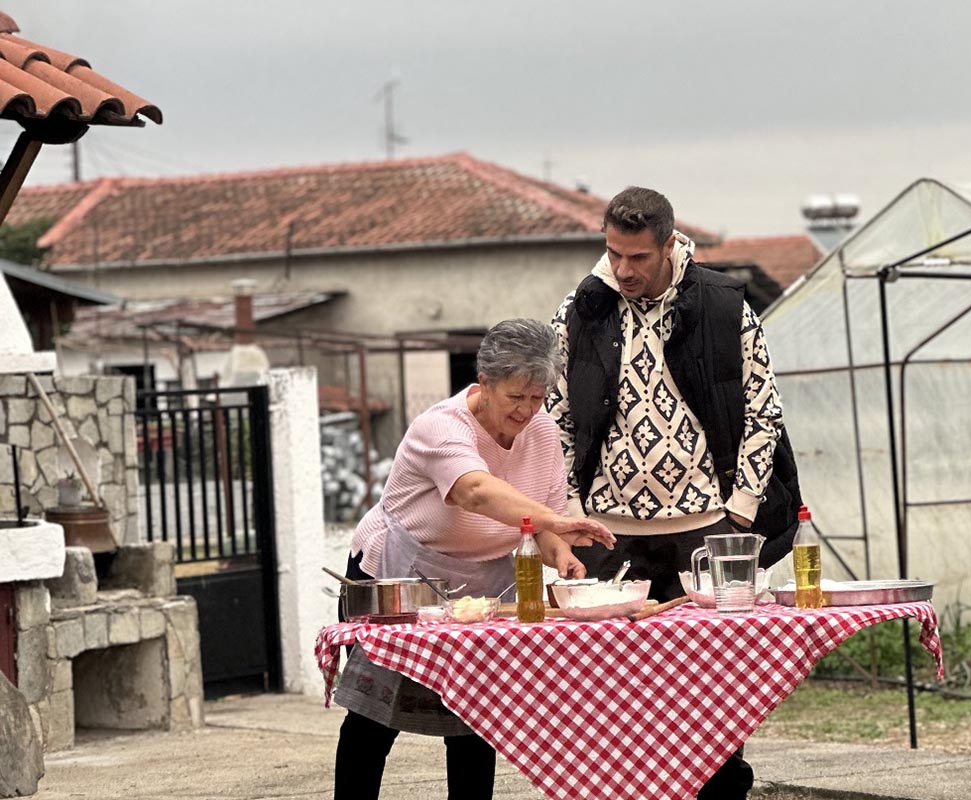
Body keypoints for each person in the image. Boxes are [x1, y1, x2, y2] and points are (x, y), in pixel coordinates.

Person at [547, 186, 800, 800]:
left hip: (707, 528)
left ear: (668, 245)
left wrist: (740, 512)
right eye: (613, 254)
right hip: (607, 533)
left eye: (637, 256)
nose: (623, 269)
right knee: (609, 694)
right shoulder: (578, 311)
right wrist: (570, 510)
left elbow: (763, 413)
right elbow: (556, 418)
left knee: (714, 695)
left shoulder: (724, 306)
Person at [333, 318, 614, 800]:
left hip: (485, 588)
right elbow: (476, 492)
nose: (527, 410)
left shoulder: (542, 432)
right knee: (373, 716)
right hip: (402, 578)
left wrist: (562, 554)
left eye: (537, 397)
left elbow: (541, 528)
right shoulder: (440, 426)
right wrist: (558, 520)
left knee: (476, 718)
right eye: (515, 396)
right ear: (484, 383)